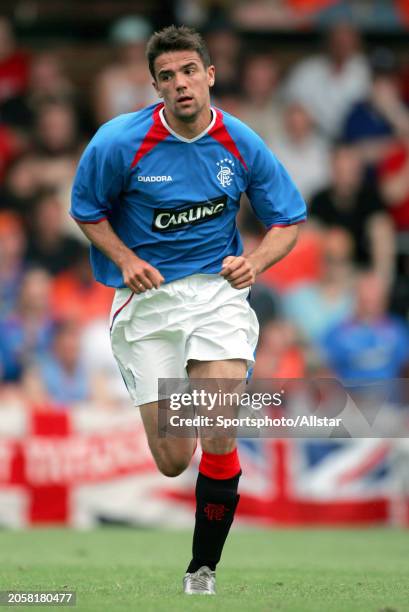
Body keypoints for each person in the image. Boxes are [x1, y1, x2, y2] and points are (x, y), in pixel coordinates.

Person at [70, 25, 306, 595]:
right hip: (146, 304)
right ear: (155, 86)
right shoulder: (116, 143)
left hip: (215, 296)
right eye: (168, 77)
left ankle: (202, 571)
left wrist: (257, 261)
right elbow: (85, 209)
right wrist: (124, 259)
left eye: (189, 72)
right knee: (175, 458)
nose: (180, 84)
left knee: (218, 427)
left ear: (210, 76)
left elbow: (288, 220)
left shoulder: (242, 142)